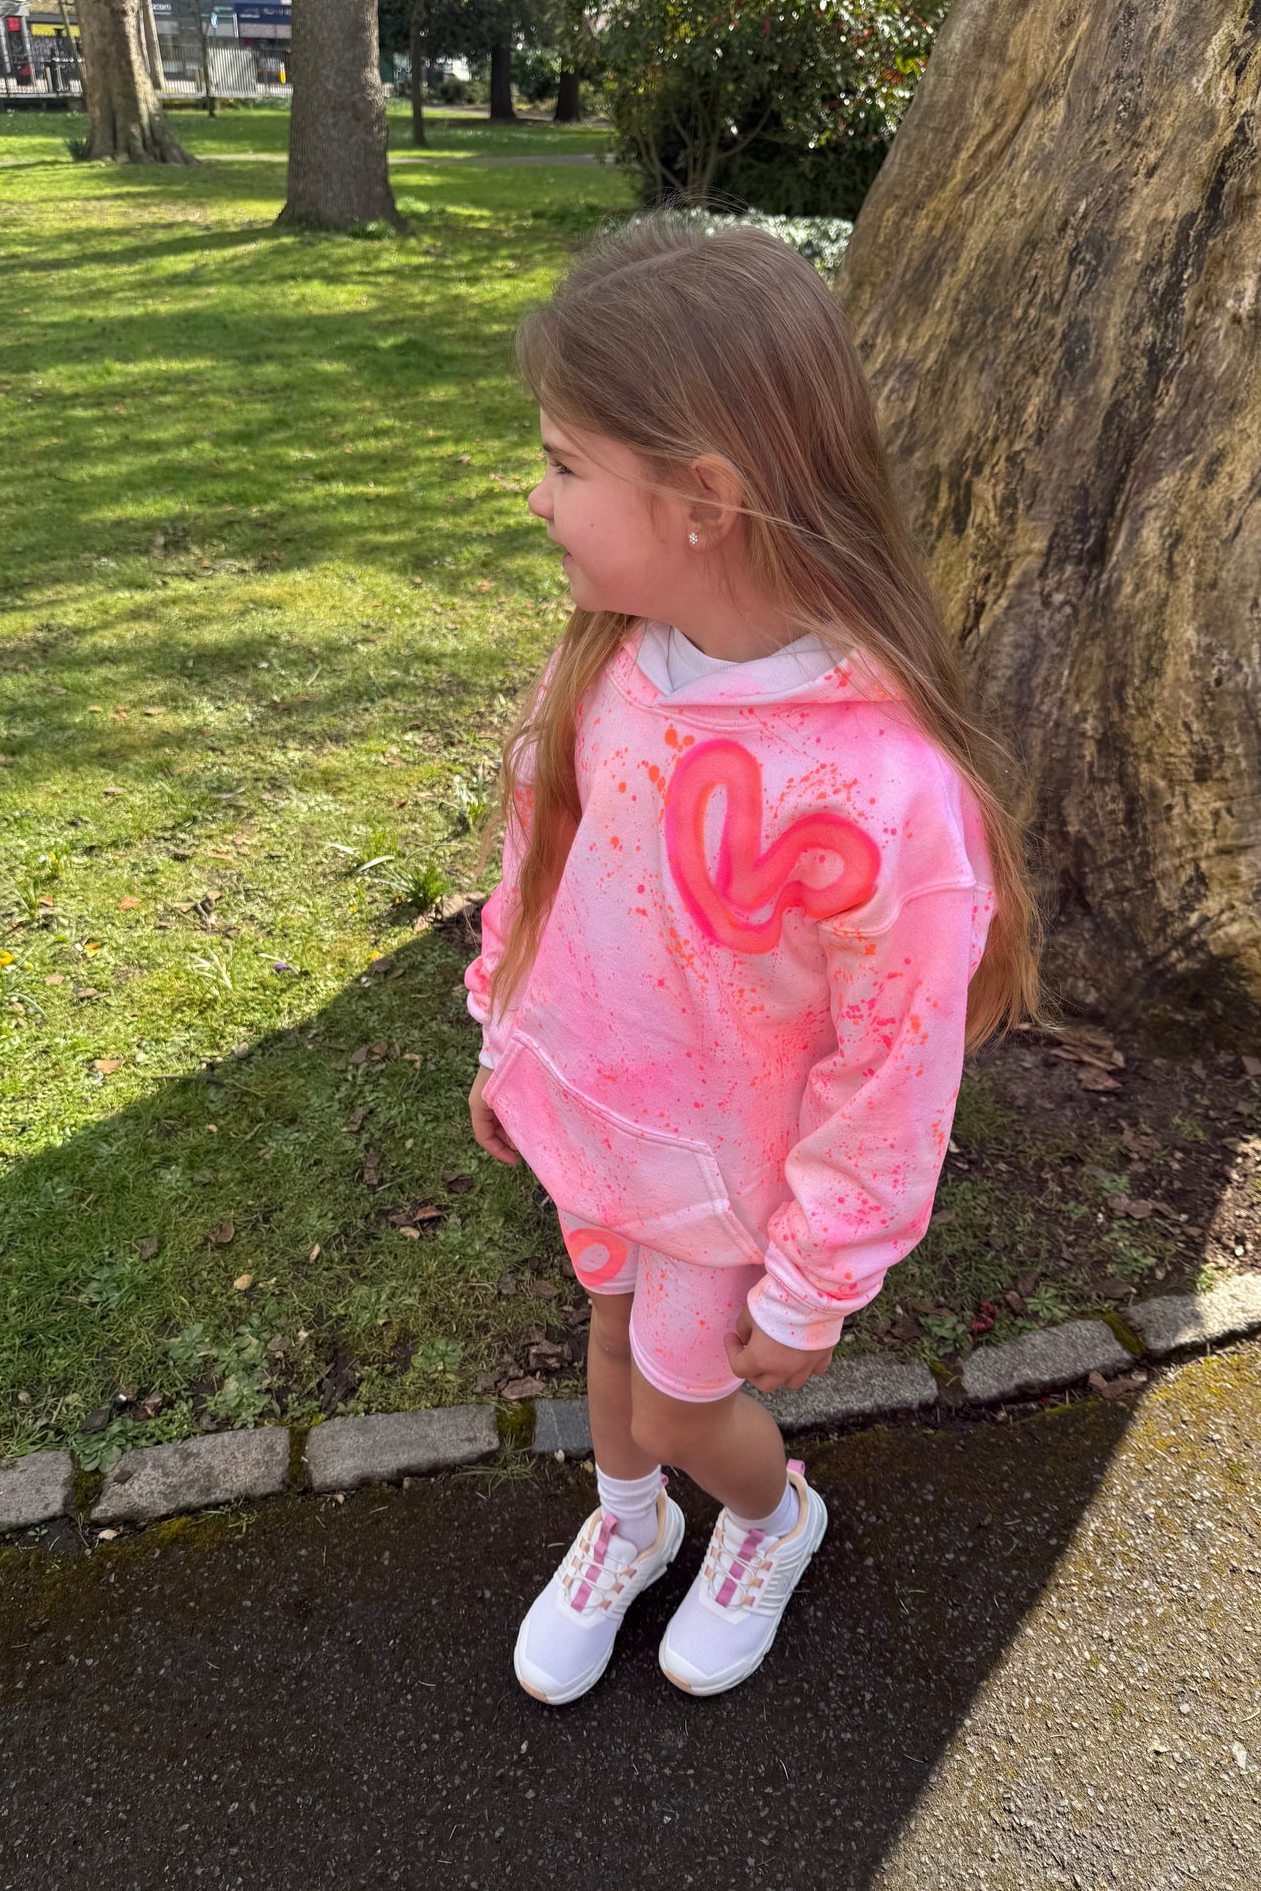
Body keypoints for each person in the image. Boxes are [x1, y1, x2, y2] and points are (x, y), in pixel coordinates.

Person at [465, 214, 1043, 1705]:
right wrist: (504, 1038)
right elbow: (539, 854)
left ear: (704, 500)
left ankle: (770, 1517)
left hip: (734, 1183)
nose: (535, 497)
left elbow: (894, 1058)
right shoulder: (607, 656)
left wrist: (815, 1276)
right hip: (597, 1122)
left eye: (565, 464)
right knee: (611, 1343)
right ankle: (628, 1522)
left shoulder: (881, 792)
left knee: (680, 1401)